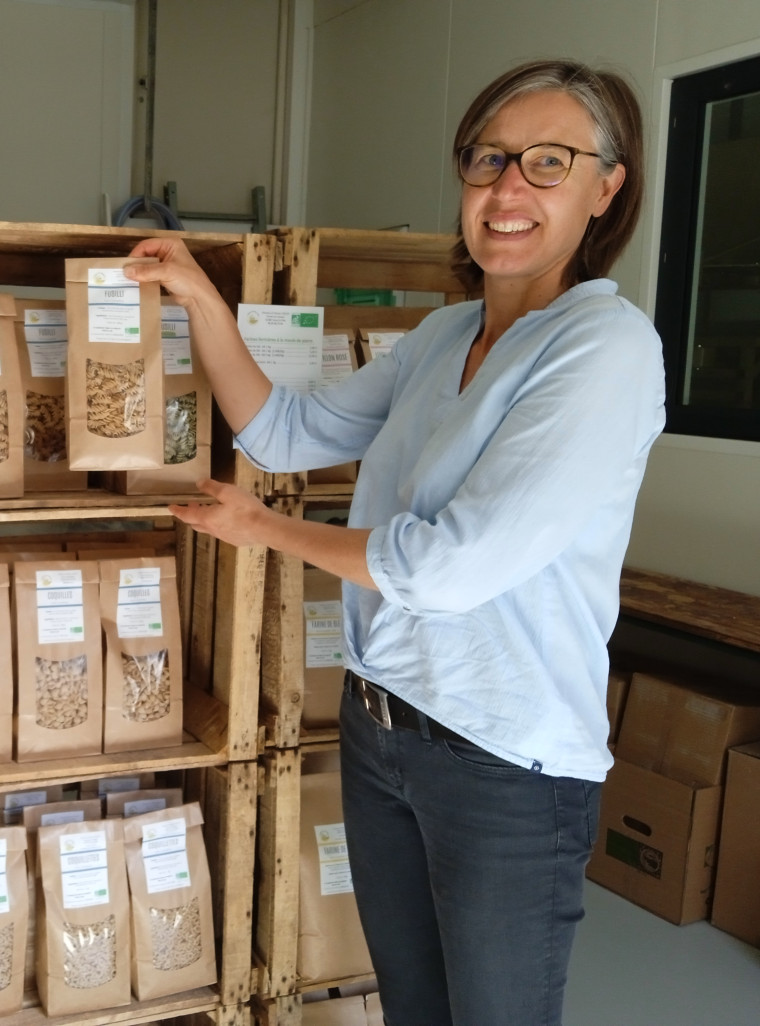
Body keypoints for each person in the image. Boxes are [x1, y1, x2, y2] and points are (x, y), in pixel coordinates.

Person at [123, 58, 664, 1026]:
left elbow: (449, 566)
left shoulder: (606, 350)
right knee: (412, 1007)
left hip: (504, 767)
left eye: (548, 162)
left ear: (606, 187)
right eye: (488, 160)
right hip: (382, 734)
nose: (507, 189)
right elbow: (283, 432)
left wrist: (263, 529)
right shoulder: (442, 334)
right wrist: (201, 297)